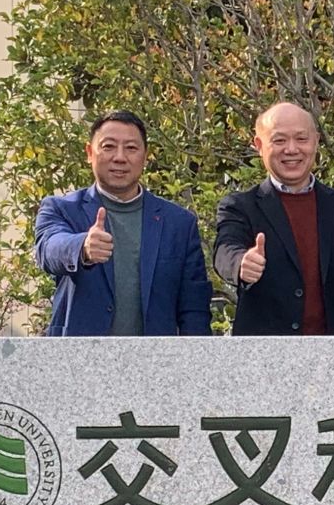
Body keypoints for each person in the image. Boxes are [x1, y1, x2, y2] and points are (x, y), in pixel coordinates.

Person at [31, 110, 213, 336]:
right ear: (89, 153)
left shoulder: (178, 223)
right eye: (108, 146)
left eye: (131, 148)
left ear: (145, 156)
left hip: (156, 355)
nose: (120, 157)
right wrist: (82, 247)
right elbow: (49, 249)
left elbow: (194, 309)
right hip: (80, 353)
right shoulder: (62, 209)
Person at [214, 100, 334, 335]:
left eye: (301, 139)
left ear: (316, 141)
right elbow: (225, 249)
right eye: (279, 140)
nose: (291, 149)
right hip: (266, 350)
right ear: (259, 145)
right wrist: (241, 263)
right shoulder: (241, 207)